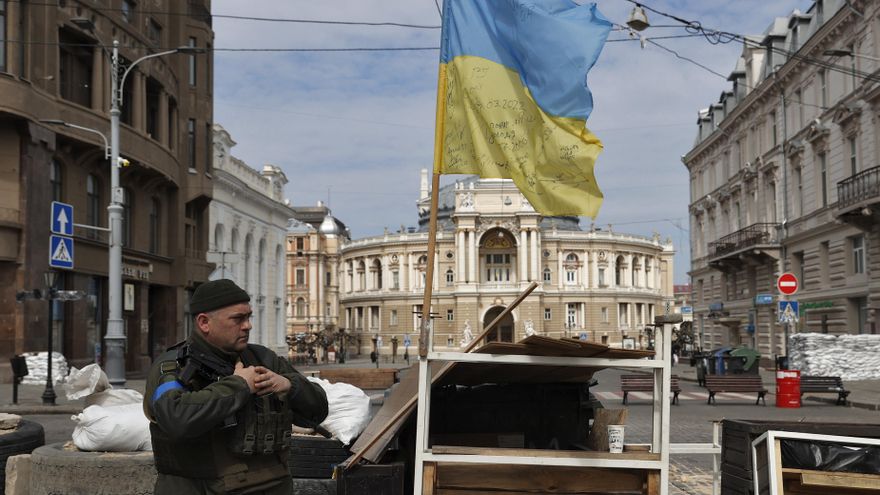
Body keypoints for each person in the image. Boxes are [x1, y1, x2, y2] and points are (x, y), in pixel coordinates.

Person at [144, 279, 328, 494]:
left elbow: (318, 411)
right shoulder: (173, 366)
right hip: (201, 488)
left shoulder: (263, 358)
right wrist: (240, 385)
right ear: (204, 323)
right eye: (238, 319)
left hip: (273, 485)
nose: (247, 325)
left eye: (248, 317)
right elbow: (175, 418)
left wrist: (290, 386)